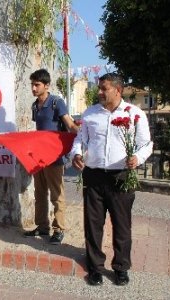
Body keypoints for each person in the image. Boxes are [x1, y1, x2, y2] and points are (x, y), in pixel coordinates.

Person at [71, 73, 152, 286]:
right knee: (93, 224)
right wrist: (76, 154)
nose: (99, 92)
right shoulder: (90, 114)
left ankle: (121, 268)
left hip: (121, 177)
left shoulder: (134, 114)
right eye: (99, 87)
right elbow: (80, 139)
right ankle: (95, 267)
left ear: (117, 90)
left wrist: (138, 158)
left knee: (122, 225)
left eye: (104, 88)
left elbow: (146, 143)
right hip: (94, 175)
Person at [24, 69, 79, 245]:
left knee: (57, 194)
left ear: (46, 85)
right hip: (39, 156)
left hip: (54, 157)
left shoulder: (57, 102)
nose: (33, 88)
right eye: (32, 84)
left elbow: (69, 124)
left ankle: (59, 229)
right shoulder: (34, 105)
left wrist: (84, 138)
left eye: (37, 84)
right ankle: (42, 226)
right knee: (39, 193)